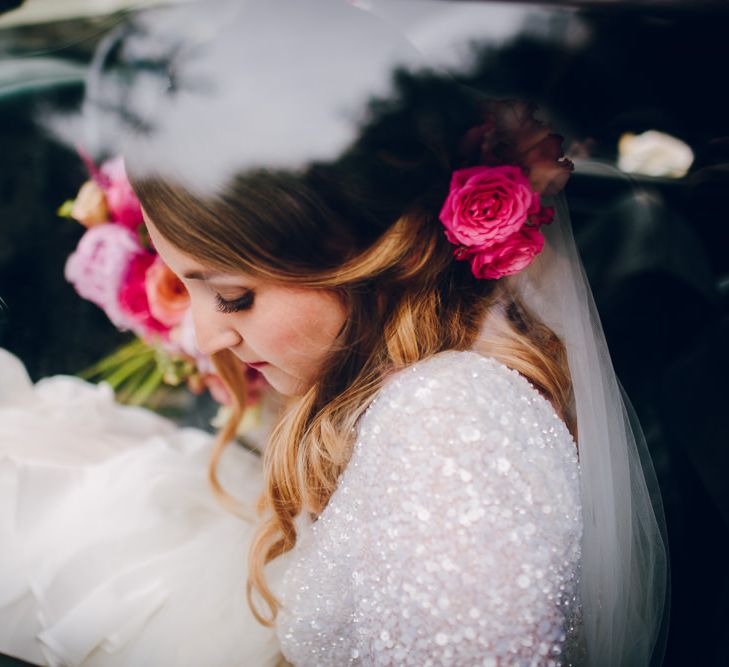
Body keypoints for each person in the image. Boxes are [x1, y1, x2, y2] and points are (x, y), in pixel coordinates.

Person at [0, 1, 668, 665]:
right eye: (186, 283)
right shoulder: (412, 390)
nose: (205, 335)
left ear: (385, 253)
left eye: (232, 295)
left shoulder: (451, 433)